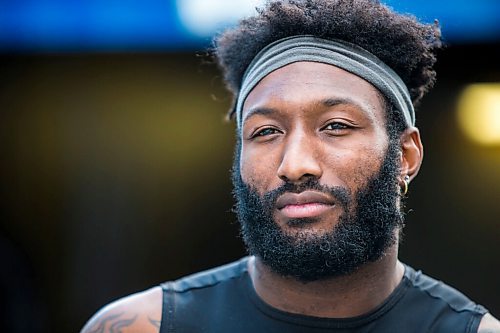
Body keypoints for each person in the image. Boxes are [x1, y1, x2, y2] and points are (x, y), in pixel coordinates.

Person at [81, 0, 500, 332]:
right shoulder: (141, 327)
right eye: (265, 132)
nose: (295, 164)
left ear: (405, 156)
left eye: (336, 126)